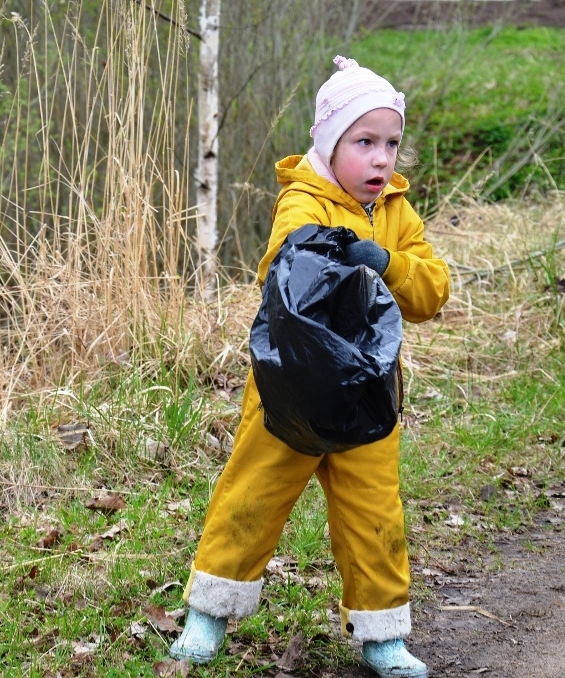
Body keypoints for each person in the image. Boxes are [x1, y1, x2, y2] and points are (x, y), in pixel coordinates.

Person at [169, 55, 450, 677]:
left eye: (392, 143)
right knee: (255, 493)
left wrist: (385, 263)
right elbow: (285, 271)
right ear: (330, 143)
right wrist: (345, 265)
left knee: (374, 509)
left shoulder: (398, 215)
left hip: (367, 395)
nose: (381, 159)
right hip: (291, 387)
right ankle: (207, 614)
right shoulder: (304, 202)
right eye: (364, 142)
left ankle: (382, 636)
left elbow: (432, 291)